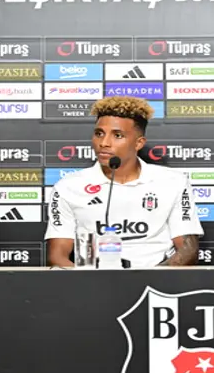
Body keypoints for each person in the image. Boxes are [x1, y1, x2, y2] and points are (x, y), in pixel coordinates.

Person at [45, 96, 203, 267]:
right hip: (93, 279)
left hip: (156, 277)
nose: (104, 143)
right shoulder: (68, 187)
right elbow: (57, 256)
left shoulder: (173, 182)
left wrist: (151, 278)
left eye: (117, 135)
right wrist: (88, 280)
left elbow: (188, 249)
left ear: (138, 143)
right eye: (99, 134)